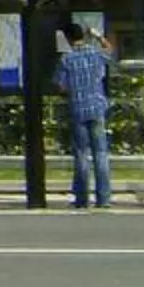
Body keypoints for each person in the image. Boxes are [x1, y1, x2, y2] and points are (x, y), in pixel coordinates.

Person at [56, 21, 113, 209]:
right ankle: (103, 198)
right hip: (97, 107)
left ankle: (82, 198)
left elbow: (61, 85)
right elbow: (109, 50)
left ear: (68, 38)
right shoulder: (95, 53)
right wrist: (97, 35)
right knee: (101, 153)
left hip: (78, 109)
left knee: (81, 154)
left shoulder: (66, 59)